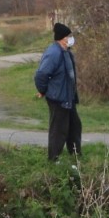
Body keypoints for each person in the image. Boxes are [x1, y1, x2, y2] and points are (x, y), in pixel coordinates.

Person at [34, 22, 81, 162]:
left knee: (74, 126)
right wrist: (43, 90)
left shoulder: (65, 51)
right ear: (62, 38)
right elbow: (41, 75)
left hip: (68, 97)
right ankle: (53, 159)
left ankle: (76, 155)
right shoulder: (54, 53)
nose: (71, 38)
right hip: (58, 98)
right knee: (58, 130)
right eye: (69, 36)